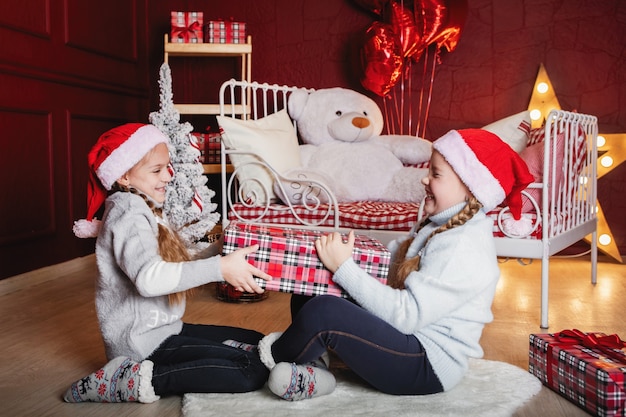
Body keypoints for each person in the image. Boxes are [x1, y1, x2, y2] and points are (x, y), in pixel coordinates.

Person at [256, 128, 534, 401]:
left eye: (436, 174)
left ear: (471, 191)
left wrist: (345, 269)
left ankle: (256, 365)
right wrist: (346, 259)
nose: (425, 180)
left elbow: (406, 315)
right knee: (311, 289)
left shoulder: (462, 245)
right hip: (409, 338)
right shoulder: (439, 224)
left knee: (324, 312)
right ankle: (314, 371)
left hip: (425, 364)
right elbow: (392, 263)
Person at [63, 123, 272, 403]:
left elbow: (171, 264)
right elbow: (150, 279)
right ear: (124, 175)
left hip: (167, 330)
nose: (167, 176)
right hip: (141, 346)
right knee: (250, 368)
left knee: (257, 341)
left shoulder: (144, 207)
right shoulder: (128, 214)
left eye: (167, 167)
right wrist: (219, 269)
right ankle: (130, 379)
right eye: (156, 170)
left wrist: (219, 251)